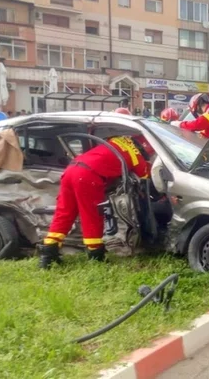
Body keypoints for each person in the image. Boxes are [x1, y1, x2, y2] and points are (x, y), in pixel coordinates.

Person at [39, 109, 153, 269]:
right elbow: (146, 178)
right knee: (91, 215)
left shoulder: (115, 140)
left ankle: (47, 255)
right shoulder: (136, 155)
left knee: (64, 213)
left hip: (71, 170)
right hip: (88, 177)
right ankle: (95, 255)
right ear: (144, 148)